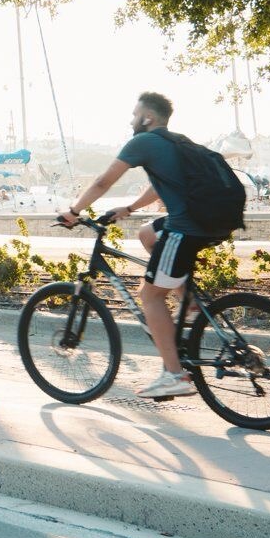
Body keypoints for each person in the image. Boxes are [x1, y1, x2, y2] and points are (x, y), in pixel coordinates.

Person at [59, 91, 210, 401]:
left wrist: (73, 212)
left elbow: (103, 181)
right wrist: (128, 208)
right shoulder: (177, 142)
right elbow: (160, 186)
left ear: (148, 118)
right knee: (147, 234)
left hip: (186, 225)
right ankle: (190, 302)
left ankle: (175, 375)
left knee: (150, 295)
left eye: (134, 114)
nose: (131, 120)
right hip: (209, 218)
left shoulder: (143, 141)